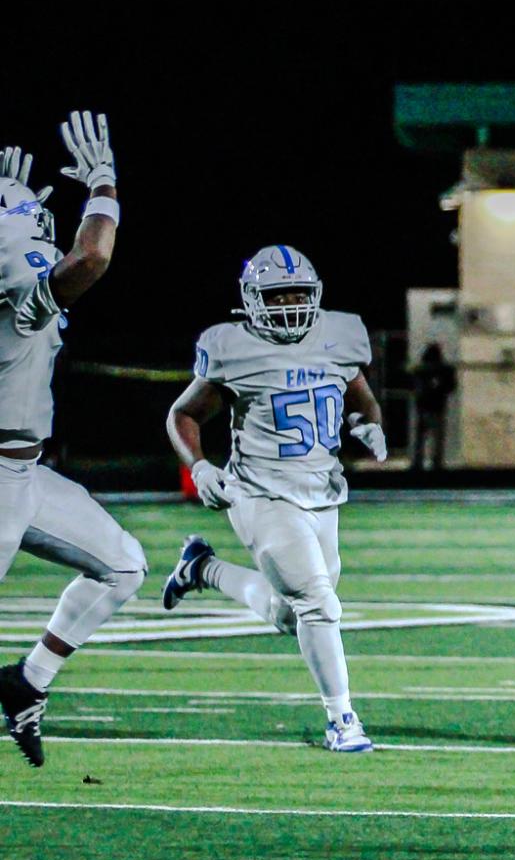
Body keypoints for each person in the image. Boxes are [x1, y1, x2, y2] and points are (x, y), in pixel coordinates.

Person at [162, 246, 389, 754]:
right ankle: (343, 720)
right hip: (259, 493)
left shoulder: (340, 335)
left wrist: (367, 425)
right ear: (251, 300)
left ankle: (203, 570)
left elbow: (361, 395)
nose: (288, 305)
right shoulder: (233, 346)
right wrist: (199, 467)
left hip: (322, 493)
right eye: (276, 295)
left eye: (297, 295)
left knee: (294, 615)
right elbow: (183, 415)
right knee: (317, 603)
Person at [0, 113, 149, 769]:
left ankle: (27, 681)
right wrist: (104, 184)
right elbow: (92, 256)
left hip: (23, 475)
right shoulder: (16, 296)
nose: (42, 231)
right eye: (30, 223)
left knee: (123, 564)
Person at [410, 342, 456, 471]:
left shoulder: (422, 370)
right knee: (436, 437)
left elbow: (414, 385)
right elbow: (451, 386)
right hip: (436, 406)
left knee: (422, 437)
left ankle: (420, 462)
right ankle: (435, 463)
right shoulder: (443, 370)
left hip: (425, 406)